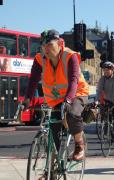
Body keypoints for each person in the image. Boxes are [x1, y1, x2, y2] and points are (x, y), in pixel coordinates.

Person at [22, 29, 89, 161]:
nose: (45, 49)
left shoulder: (70, 56)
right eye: (43, 46)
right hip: (56, 100)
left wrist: (69, 99)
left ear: (60, 43)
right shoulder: (40, 59)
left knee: (71, 113)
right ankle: (51, 171)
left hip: (77, 93)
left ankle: (79, 146)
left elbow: (74, 80)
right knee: (53, 132)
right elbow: (33, 80)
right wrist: (27, 100)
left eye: (49, 45)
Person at [96, 61, 114, 152]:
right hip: (107, 100)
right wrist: (97, 101)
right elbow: (99, 90)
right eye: (104, 70)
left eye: (107, 70)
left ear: (112, 70)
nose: (105, 72)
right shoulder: (102, 79)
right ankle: (108, 133)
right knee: (105, 117)